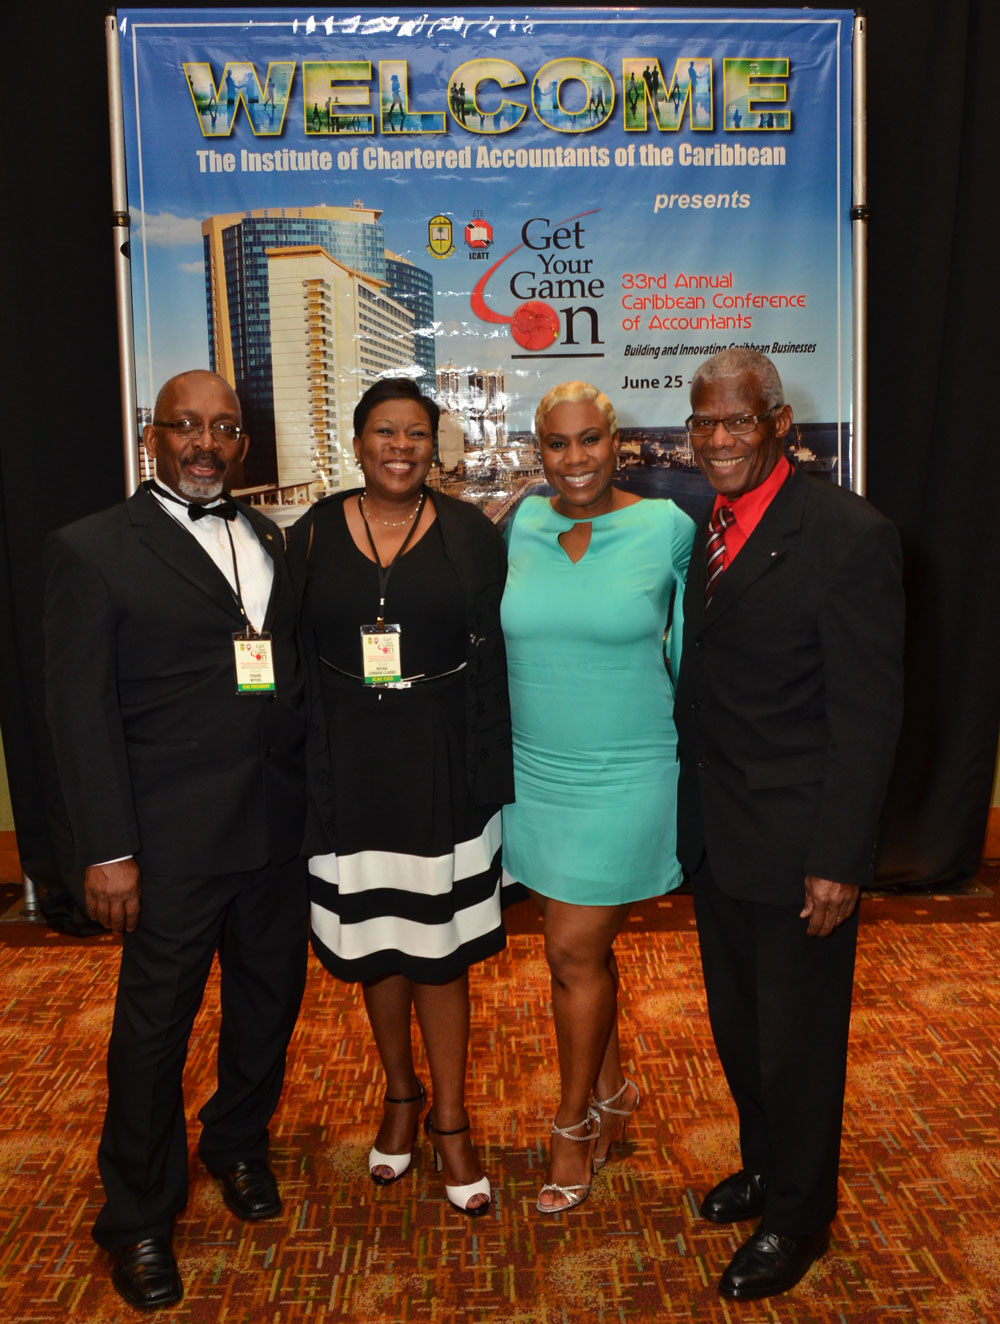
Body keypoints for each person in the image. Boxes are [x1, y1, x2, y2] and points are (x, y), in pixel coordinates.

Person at [42, 370, 309, 1310]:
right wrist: (107, 849)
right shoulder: (92, 549)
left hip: (276, 824)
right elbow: (77, 714)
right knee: (154, 1032)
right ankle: (137, 1217)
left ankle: (236, 1143)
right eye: (186, 426)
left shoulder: (270, 537)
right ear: (150, 437)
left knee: (269, 1002)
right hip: (168, 841)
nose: (205, 443)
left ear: (243, 444)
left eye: (223, 428)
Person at [675, 349, 904, 1299]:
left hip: (800, 845)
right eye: (704, 422)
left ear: (780, 424)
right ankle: (767, 1169)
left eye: (739, 420)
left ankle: (802, 1218)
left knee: (798, 1046)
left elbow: (868, 712)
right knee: (740, 1030)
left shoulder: (850, 535)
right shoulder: (710, 526)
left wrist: (839, 857)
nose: (719, 439)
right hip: (719, 834)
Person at [288, 377, 513, 1217]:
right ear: (356, 444)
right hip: (345, 761)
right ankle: (400, 1097)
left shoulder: (467, 532)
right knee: (376, 942)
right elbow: (285, 649)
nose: (400, 447)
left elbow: (493, 653)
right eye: (384, 432)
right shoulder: (312, 532)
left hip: (440, 759)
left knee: (438, 950)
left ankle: (451, 1120)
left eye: (416, 433)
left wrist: (491, 774)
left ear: (434, 446)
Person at [501, 381, 695, 1213]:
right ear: (538, 450)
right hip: (535, 774)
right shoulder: (521, 525)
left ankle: (571, 1122)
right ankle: (614, 1095)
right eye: (557, 443)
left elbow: (693, 654)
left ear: (616, 442)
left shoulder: (667, 526)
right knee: (583, 954)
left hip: (630, 770)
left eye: (589, 440)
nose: (574, 458)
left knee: (571, 952)